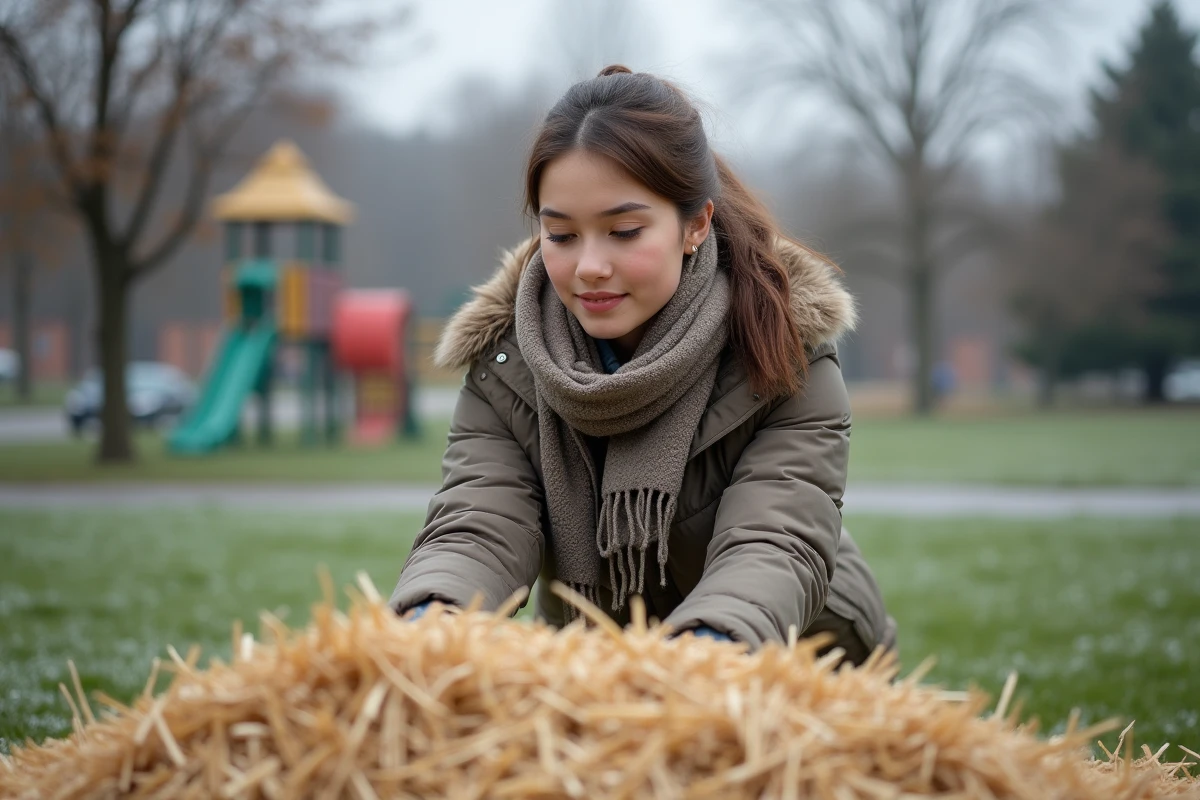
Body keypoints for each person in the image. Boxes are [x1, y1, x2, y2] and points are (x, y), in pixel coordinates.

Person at [389, 65, 897, 661]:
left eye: (624, 232)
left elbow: (775, 541)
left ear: (696, 225)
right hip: (604, 675)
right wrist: (431, 618)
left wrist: (705, 651)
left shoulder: (784, 349)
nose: (589, 267)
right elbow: (479, 521)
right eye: (561, 235)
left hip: (796, 662)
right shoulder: (507, 362)